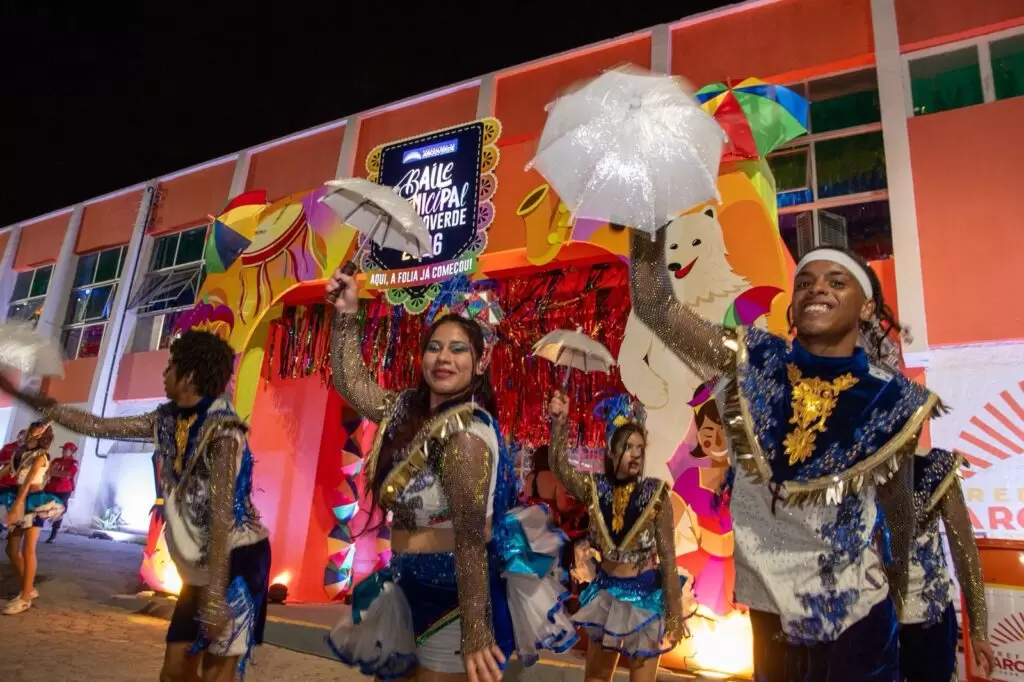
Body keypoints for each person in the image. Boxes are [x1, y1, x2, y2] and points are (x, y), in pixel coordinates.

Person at [630, 228, 938, 681]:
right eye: (806, 281)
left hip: (858, 631)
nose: (818, 287)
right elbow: (656, 305)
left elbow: (899, 516)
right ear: (792, 308)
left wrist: (908, 610)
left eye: (837, 281)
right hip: (771, 627)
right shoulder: (750, 362)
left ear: (866, 307)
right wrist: (646, 211)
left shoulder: (889, 399)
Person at [324, 268, 576, 682]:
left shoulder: (468, 434)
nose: (443, 357)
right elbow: (353, 384)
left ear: (479, 363)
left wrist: (476, 630)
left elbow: (472, 537)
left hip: (456, 601)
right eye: (435, 347)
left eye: (458, 349)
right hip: (407, 586)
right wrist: (346, 311)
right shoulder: (408, 412)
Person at [0, 330, 269, 681]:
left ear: (188, 376)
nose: (163, 372)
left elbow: (221, 518)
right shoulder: (166, 420)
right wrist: (27, 396)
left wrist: (216, 597)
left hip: (235, 563)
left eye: (170, 366)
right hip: (200, 569)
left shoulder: (224, 434)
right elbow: (96, 425)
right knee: (173, 674)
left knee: (215, 675)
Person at [857, 322, 995, 679]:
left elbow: (965, 552)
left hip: (927, 625)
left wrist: (978, 628)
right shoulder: (844, 480)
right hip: (864, 624)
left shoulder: (935, 470)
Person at [547, 389, 686, 682]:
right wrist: (559, 425)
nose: (636, 453)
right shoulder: (596, 488)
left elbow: (669, 557)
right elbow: (560, 468)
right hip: (607, 595)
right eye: (627, 446)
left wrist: (674, 613)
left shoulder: (655, 494)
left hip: (645, 598)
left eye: (639, 447)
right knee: (596, 678)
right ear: (611, 452)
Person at [674, 381, 738, 617]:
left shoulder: (744, 481)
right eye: (709, 433)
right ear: (700, 436)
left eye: (724, 431)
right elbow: (667, 522)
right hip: (700, 566)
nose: (718, 441)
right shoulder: (691, 479)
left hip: (736, 570)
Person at [0, 421, 63, 614]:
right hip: (18, 496)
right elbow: (6, 472)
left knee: (28, 549)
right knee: (11, 549)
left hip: (34, 501)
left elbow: (28, 482)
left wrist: (16, 507)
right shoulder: (19, 453)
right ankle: (29, 586)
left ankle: (25, 596)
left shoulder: (41, 456)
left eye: (33, 430)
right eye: (29, 429)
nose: (28, 432)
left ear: (41, 435)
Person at [44, 441, 79, 543]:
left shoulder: (73, 463)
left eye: (66, 450)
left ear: (71, 452)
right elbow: (49, 472)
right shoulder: (56, 460)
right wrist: (60, 473)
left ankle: (53, 533)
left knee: (59, 511)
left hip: (64, 490)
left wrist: (56, 473)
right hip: (50, 488)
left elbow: (68, 475)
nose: (64, 451)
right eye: (63, 449)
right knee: (43, 507)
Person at [0, 429, 26, 538]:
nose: (22, 438)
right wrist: (8, 462)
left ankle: (9, 528)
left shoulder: (27, 451)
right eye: (21, 435)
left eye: (25, 437)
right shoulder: (8, 447)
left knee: (10, 506)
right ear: (18, 436)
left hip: (16, 483)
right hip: (3, 480)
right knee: (1, 505)